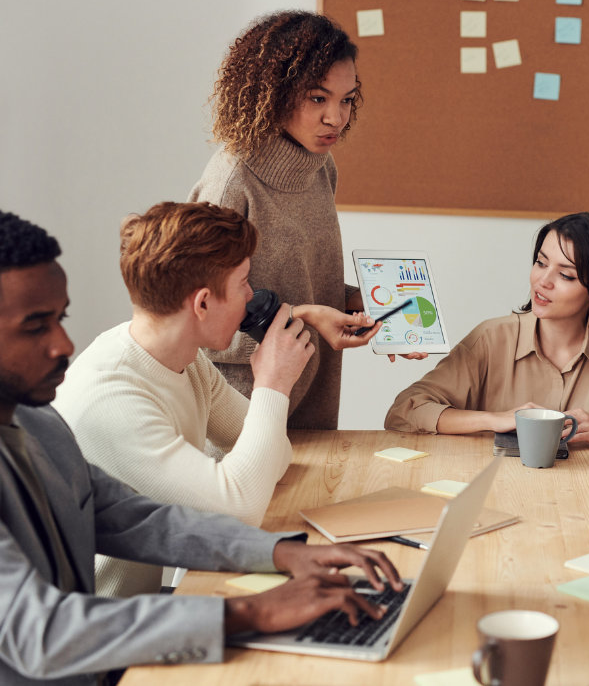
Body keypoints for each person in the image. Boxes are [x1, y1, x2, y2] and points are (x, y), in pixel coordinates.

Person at [0, 210, 402, 686]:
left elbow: (137, 517)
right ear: (203, 302)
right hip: (99, 662)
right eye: (35, 326)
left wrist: (283, 553)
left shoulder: (37, 423)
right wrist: (250, 612)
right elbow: (42, 635)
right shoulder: (101, 400)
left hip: (115, 650)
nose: (63, 344)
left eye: (61, 319)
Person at [53, 201, 381, 598]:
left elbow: (277, 457)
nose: (252, 296)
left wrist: (270, 389)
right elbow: (239, 510)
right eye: (243, 282)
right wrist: (273, 384)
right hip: (101, 633)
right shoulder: (112, 399)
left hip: (145, 607)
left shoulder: (186, 361)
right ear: (203, 303)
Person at [189, 11, 422, 431]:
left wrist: (374, 305)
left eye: (347, 99)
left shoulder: (320, 168)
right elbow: (199, 321)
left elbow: (307, 282)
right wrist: (308, 318)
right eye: (318, 98)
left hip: (313, 405)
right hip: (240, 418)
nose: (336, 117)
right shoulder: (231, 182)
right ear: (272, 92)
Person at [385, 212, 589, 440]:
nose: (542, 281)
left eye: (566, 275)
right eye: (540, 262)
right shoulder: (492, 339)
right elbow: (405, 411)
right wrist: (497, 420)